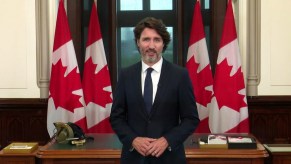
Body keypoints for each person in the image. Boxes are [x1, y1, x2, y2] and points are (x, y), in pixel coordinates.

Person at [110, 17, 200, 164]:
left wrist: (167, 140)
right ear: (138, 42)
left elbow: (191, 119)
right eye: (146, 39)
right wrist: (133, 140)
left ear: (163, 43)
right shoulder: (126, 75)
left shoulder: (180, 75)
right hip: (134, 159)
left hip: (169, 158)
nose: (151, 45)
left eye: (157, 40)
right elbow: (116, 117)